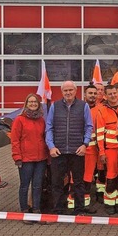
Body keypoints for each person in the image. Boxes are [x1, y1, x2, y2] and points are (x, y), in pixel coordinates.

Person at [45, 81, 93, 215]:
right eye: (65, 90)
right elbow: (49, 127)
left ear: (76, 91)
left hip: (77, 151)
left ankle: (79, 210)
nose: (68, 93)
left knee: (78, 183)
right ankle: (58, 210)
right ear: (62, 92)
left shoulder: (84, 106)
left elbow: (89, 126)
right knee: (57, 183)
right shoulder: (55, 106)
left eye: (71, 90)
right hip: (58, 151)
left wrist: (85, 144)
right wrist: (51, 146)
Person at [11, 94, 48, 224]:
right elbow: (15, 140)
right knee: (24, 186)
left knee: (37, 186)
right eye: (30, 102)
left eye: (35, 102)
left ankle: (36, 210)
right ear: (26, 104)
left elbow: (44, 138)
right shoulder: (19, 120)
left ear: (38, 104)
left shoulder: (42, 120)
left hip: (40, 159)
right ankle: (25, 210)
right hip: (25, 159)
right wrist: (17, 157)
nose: (33, 104)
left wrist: (47, 156)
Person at [97, 84, 118, 214]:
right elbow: (100, 134)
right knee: (111, 177)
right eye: (110, 94)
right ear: (105, 96)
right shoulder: (102, 111)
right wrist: (101, 152)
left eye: (115, 93)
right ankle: (109, 203)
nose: (113, 96)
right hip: (110, 150)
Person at [68, 84, 101, 213]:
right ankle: (72, 204)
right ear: (84, 95)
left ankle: (84, 206)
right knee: (75, 178)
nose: (92, 95)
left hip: (92, 151)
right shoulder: (78, 108)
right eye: (90, 93)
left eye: (95, 93)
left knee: (87, 178)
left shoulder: (100, 110)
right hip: (78, 150)